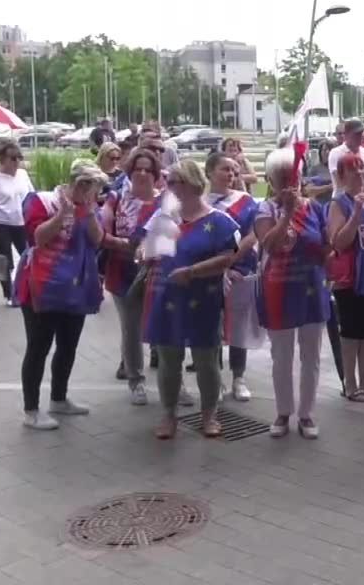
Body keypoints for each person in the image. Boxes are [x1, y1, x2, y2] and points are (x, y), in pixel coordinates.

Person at [142, 160, 238, 440]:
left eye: (173, 182)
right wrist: (144, 253)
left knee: (206, 359)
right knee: (169, 359)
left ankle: (209, 414)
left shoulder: (220, 221)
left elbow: (229, 256)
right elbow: (146, 248)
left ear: (191, 185)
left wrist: (194, 271)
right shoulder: (163, 218)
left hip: (204, 300)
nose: (167, 188)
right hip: (167, 298)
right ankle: (168, 415)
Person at [15, 162, 107, 430]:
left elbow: (97, 239)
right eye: (86, 183)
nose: (90, 190)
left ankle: (59, 398)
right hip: (41, 285)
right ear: (73, 181)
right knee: (38, 347)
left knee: (68, 345)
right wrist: (62, 215)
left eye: (95, 185)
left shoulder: (91, 208)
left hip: (74, 286)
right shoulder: (43, 201)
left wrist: (87, 212)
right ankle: (31, 410)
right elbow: (37, 238)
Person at [255, 149, 331, 439]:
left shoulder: (315, 208)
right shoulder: (265, 210)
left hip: (312, 288)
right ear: (272, 182)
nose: (290, 183)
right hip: (279, 290)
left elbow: (326, 246)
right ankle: (283, 412)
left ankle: (307, 414)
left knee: (311, 356)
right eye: (283, 178)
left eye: (294, 177)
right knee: (282, 356)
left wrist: (331, 249)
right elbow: (270, 245)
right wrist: (287, 214)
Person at [101, 147, 165, 406]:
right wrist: (123, 244)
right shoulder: (116, 199)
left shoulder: (166, 202)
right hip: (123, 272)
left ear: (155, 174)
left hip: (158, 275)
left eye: (147, 169)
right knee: (131, 329)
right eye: (136, 168)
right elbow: (102, 232)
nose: (141, 173)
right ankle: (136, 380)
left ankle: (174, 382)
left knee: (162, 327)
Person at [327, 154, 364, 403]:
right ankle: (349, 384)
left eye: (362, 167)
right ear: (341, 176)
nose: (360, 173)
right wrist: (357, 211)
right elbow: (338, 241)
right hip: (350, 277)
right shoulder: (339, 203)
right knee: (351, 332)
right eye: (353, 169)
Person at [206, 152, 261, 402]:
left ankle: (238, 377)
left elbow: (253, 235)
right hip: (208, 274)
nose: (230, 175)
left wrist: (232, 260)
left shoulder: (246, 201)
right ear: (209, 172)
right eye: (224, 169)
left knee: (238, 325)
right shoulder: (200, 202)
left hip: (240, 272)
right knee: (211, 326)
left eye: (234, 170)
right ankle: (214, 379)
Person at [0, 143, 34, 305]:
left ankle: (29, 288)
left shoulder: (22, 174)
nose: (16, 162)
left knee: (28, 255)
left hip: (21, 221)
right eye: (12, 158)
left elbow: (31, 196)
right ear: (2, 159)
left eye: (19, 158)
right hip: (0, 222)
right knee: (4, 258)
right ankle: (9, 294)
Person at [328, 119, 364, 196]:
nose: (359, 136)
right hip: (342, 201)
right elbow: (339, 180)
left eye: (361, 133)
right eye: (356, 134)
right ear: (346, 135)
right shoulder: (336, 153)